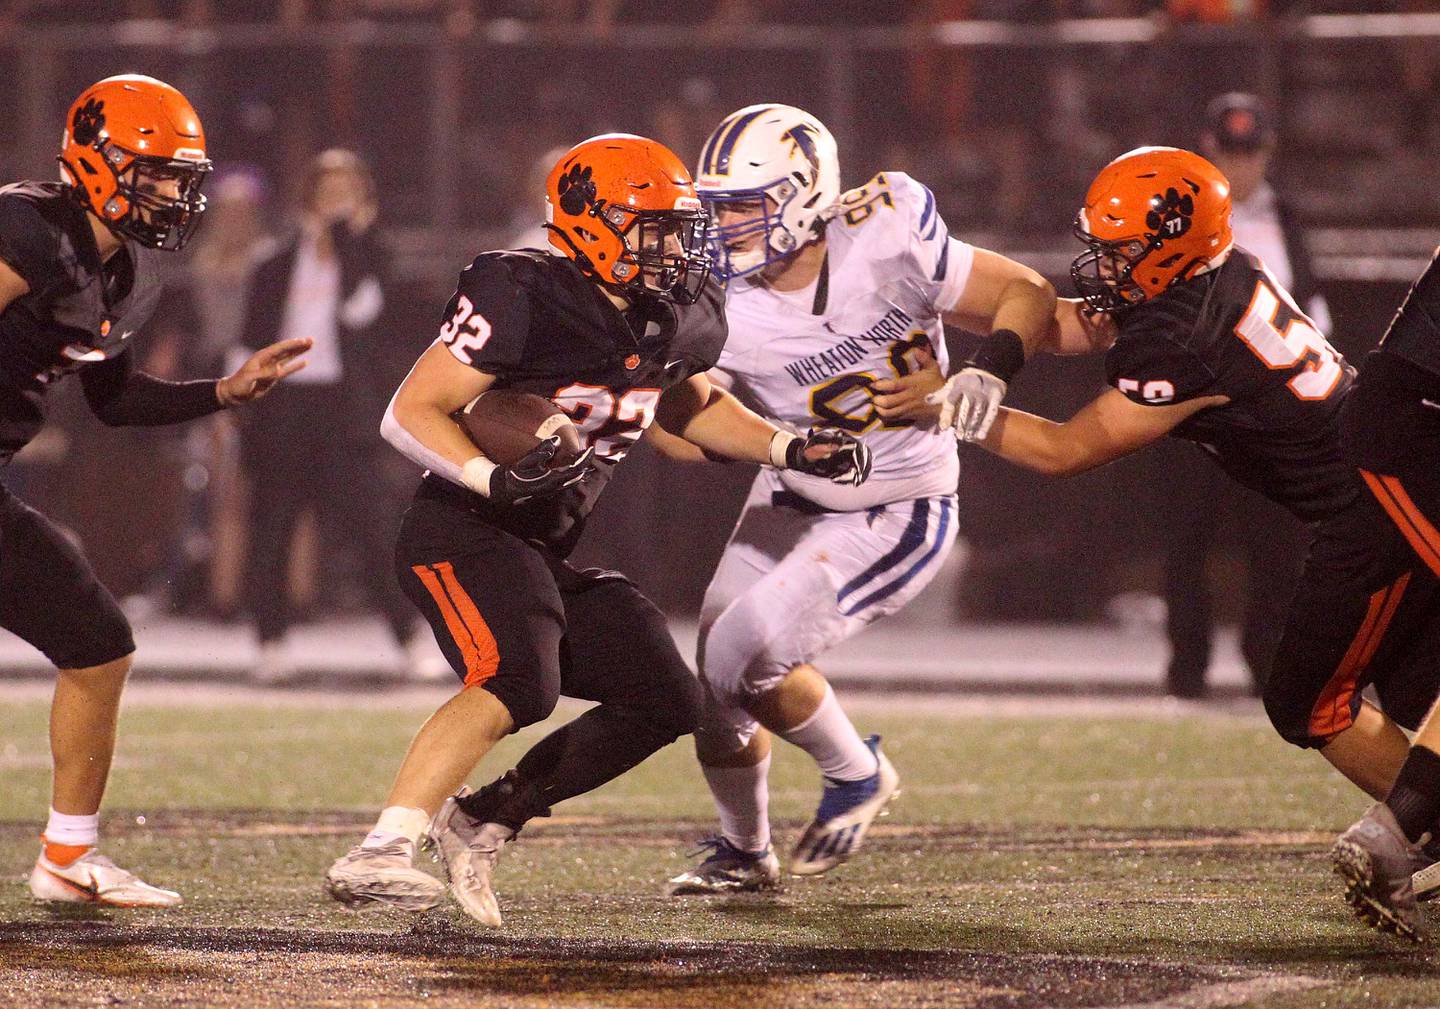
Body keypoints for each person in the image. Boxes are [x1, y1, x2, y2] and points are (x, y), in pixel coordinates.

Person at [322, 133, 871, 926]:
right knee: (519, 680)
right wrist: (491, 475)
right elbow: (409, 410)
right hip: (464, 527)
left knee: (665, 696)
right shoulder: (525, 293)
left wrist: (787, 445)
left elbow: (687, 400)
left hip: (542, 545)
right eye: (652, 228)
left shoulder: (671, 316)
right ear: (590, 222)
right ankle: (380, 848)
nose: (673, 248)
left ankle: (487, 815)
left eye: (678, 229)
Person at [932, 145, 1440, 921]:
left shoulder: (1180, 339)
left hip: (1373, 510)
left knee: (1310, 700)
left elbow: (1067, 448)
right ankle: (1417, 823)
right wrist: (987, 345)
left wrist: (952, 405)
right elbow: (1071, 323)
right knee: (1402, 689)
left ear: (1172, 244)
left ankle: (1412, 833)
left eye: (1121, 248)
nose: (1101, 264)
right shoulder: (1212, 274)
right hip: (1370, 495)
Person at [653, 104, 1055, 894]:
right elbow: (685, 411)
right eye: (717, 208)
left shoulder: (885, 226)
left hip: (897, 502)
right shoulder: (717, 295)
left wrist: (987, 369)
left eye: (745, 206)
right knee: (716, 669)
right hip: (794, 484)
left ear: (805, 195)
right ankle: (745, 850)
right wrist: (763, 440)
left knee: (740, 649)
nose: (725, 226)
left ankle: (854, 771)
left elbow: (1029, 293)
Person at [10, 74, 309, 907]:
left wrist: (223, 391)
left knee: (99, 643)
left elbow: (114, 401)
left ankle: (68, 855)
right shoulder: (30, 228)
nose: (176, 193)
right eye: (158, 174)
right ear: (98, 163)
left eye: (182, 177)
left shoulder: (123, 272)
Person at [234, 148, 435, 683]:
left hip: (345, 412)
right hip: (287, 408)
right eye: (326, 192)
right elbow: (249, 338)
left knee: (373, 528)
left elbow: (360, 311)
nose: (335, 201)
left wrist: (346, 245)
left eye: (346, 192)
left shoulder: (374, 257)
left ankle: (407, 637)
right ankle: (270, 642)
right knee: (273, 528)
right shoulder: (275, 262)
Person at [1156, 92, 1326, 698]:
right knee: (1186, 540)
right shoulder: (1177, 217)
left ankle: (1267, 664)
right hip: (1196, 402)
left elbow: (1311, 308)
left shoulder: (1288, 217)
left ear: (1268, 152)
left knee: (1276, 544)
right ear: (1209, 149)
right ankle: (1187, 667)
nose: (1240, 167)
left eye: (1249, 154)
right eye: (1230, 153)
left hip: (1267, 411)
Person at [1330, 252, 1440, 941]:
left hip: (1397, 431)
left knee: (1417, 675)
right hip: (1409, 437)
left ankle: (1409, 822)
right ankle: (1399, 827)